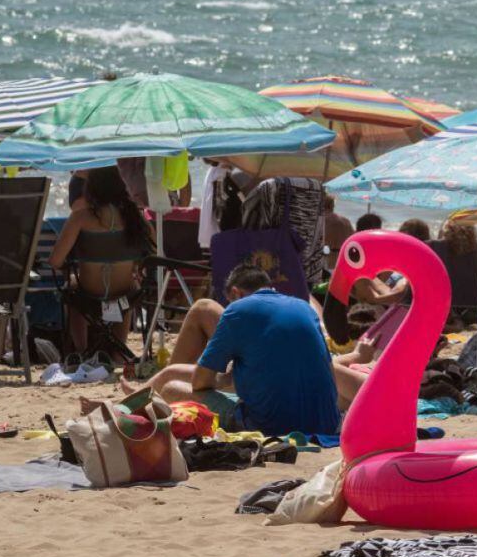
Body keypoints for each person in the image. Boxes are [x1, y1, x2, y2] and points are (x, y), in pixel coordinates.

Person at [104, 264, 342, 436]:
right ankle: (126, 403)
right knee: (175, 374)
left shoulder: (237, 311)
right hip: (325, 422)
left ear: (235, 293)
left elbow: (200, 383)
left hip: (272, 425)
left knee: (171, 389)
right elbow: (329, 376)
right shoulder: (304, 307)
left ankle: (123, 413)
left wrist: (226, 378)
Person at [49, 166, 153, 358]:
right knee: (130, 287)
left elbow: (55, 261)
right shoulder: (135, 218)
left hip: (90, 295)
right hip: (125, 295)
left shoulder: (80, 217)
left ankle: (82, 351)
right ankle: (118, 350)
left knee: (72, 286)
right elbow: (153, 254)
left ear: (92, 188)